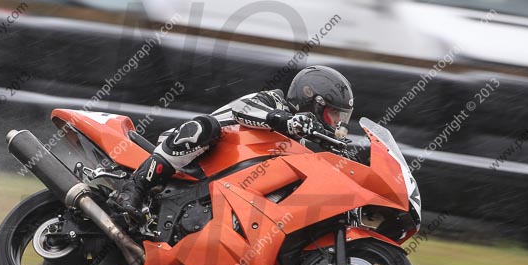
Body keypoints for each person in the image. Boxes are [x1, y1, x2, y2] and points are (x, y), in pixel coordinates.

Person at [109, 65, 354, 218]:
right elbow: (242, 108)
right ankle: (135, 188)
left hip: (226, 181)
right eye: (333, 115)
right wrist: (281, 120)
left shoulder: (303, 138)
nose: (335, 124)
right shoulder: (272, 101)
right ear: (314, 101)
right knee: (205, 127)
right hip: (197, 159)